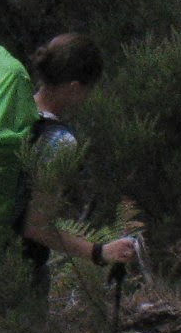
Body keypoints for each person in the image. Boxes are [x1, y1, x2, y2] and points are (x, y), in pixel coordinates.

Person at [18, 33, 139, 290]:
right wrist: (99, 252)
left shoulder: (12, 111)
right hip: (18, 273)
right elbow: (36, 226)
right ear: (74, 88)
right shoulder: (58, 141)